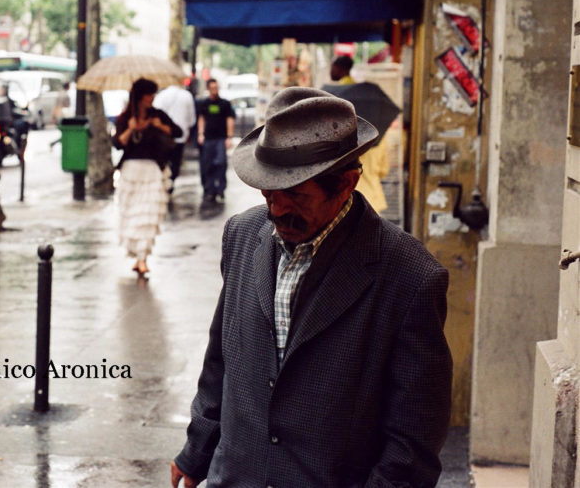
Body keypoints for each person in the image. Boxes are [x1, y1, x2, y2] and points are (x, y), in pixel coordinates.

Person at [171, 87, 452, 488]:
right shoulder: (242, 235)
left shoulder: (409, 278)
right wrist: (196, 450)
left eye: (296, 195)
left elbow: (414, 440)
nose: (277, 208)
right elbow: (222, 359)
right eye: (268, 190)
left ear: (347, 184)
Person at [112, 78, 182, 277]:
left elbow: (178, 132)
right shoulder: (126, 117)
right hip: (131, 172)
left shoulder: (157, 115)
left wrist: (159, 126)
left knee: (149, 215)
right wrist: (132, 128)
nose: (152, 98)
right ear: (139, 96)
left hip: (153, 170)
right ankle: (136, 255)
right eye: (149, 94)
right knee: (131, 214)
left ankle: (142, 258)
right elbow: (117, 143)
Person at [330, 54, 391, 213]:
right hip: (373, 200)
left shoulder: (338, 138)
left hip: (343, 201)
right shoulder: (379, 135)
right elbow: (384, 170)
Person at [196, 79, 235, 202]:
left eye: (216, 87)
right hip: (208, 139)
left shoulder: (224, 104)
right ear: (208, 88)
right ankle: (209, 189)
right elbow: (201, 119)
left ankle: (221, 189)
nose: (215, 90)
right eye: (212, 88)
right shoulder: (204, 103)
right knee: (207, 165)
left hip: (220, 139)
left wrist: (229, 137)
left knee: (221, 164)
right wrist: (201, 134)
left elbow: (230, 120)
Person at [153, 83, 196, 195]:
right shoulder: (187, 96)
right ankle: (171, 182)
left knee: (164, 162)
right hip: (181, 137)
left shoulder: (161, 96)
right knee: (175, 163)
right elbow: (192, 120)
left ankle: (165, 182)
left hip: (163, 138)